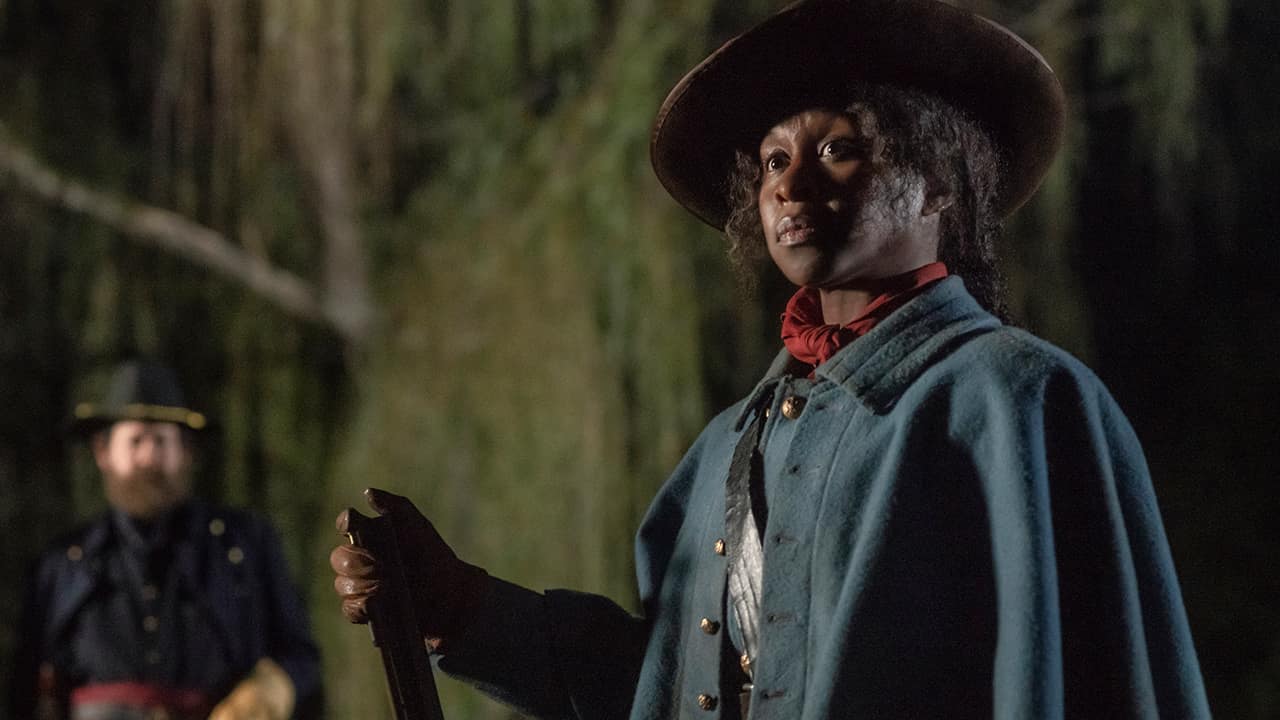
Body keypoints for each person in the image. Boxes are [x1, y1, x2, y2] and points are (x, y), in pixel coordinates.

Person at [330, 0, 1211, 717]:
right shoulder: (728, 444)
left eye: (837, 149)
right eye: (773, 161)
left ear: (939, 179)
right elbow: (669, 687)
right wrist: (460, 608)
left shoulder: (1017, 398)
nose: (790, 185)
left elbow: (1096, 686)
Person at [10, 360, 321, 720]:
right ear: (103, 452)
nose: (148, 458)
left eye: (161, 441)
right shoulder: (62, 564)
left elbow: (300, 657)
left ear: (186, 451)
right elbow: (26, 685)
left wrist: (266, 694)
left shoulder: (244, 547)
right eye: (136, 440)